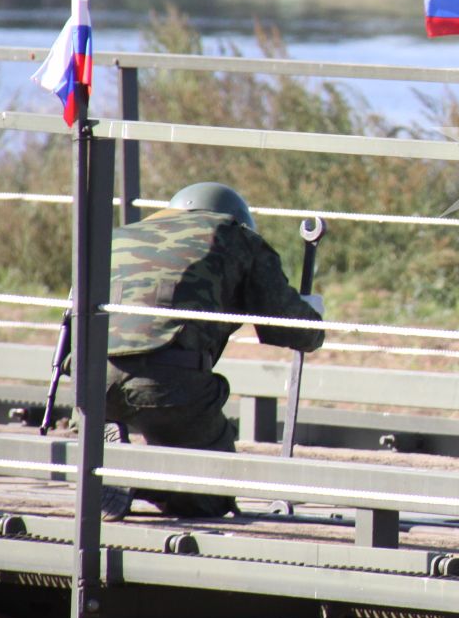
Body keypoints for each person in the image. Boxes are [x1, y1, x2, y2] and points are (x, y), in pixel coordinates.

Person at [101, 182, 324, 520]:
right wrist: (313, 316)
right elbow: (294, 329)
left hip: (90, 381)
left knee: (137, 419)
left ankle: (111, 457)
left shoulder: (119, 235)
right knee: (212, 497)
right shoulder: (237, 238)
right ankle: (135, 479)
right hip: (167, 384)